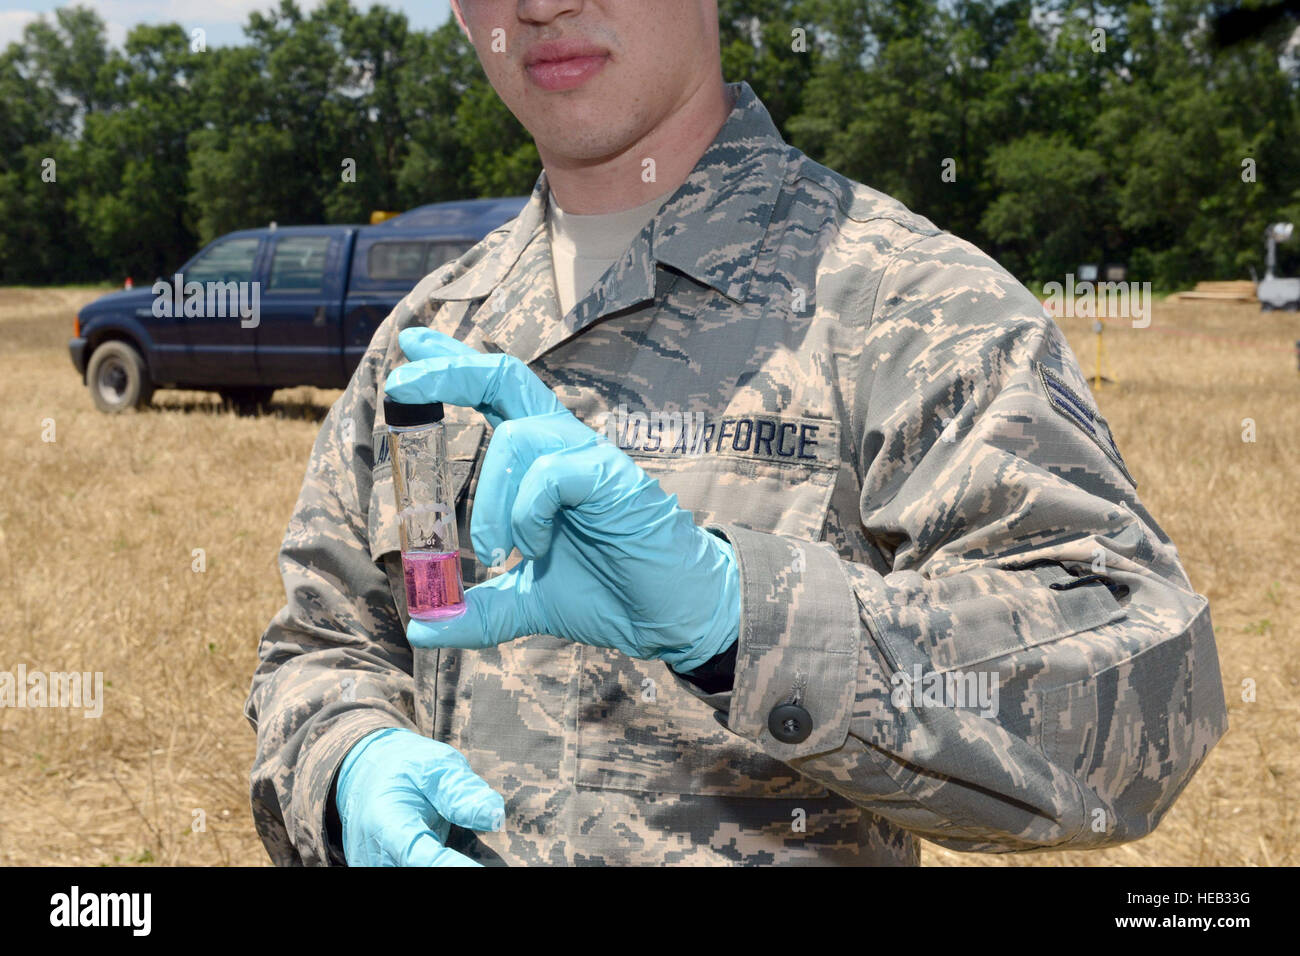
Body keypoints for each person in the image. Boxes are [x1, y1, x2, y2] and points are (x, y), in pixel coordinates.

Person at [244, 0, 1227, 866]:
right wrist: (347, 763)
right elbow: (321, 643)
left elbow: (1148, 700)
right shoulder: (428, 336)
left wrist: (742, 622)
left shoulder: (909, 304)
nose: (540, 3)